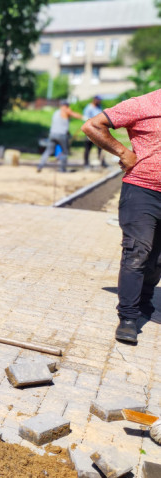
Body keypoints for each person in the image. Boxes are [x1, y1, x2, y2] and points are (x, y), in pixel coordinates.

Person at [82, 88, 161, 344]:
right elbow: (93, 125)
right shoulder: (143, 105)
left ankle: (146, 304)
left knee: (157, 258)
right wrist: (123, 152)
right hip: (142, 191)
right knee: (138, 252)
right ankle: (128, 317)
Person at [37, 100, 83, 173]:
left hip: (52, 134)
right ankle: (62, 169)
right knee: (65, 152)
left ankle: (40, 165)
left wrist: (68, 132)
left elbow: (61, 124)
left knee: (48, 151)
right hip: (61, 135)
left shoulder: (56, 112)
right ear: (66, 105)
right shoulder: (65, 111)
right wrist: (85, 118)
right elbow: (75, 115)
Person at [82, 96, 106, 167]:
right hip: (90, 130)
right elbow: (86, 119)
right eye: (98, 100)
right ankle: (86, 163)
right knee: (88, 147)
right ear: (94, 100)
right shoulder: (89, 108)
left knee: (100, 147)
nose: (99, 102)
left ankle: (102, 162)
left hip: (98, 131)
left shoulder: (99, 107)